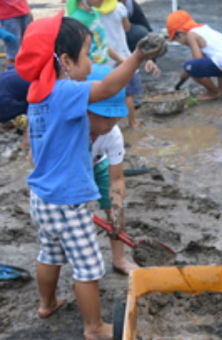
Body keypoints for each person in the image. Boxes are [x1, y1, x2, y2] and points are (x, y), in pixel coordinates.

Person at [15, 10, 165, 339]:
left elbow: (34, 149)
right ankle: (94, 327)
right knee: (87, 268)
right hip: (69, 201)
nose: (90, 62)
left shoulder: (36, 97)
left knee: (49, 253)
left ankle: (47, 303)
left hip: (41, 199)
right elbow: (109, 84)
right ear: (65, 61)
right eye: (86, 54)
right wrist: (137, 54)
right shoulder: (65, 92)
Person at [88, 65, 138, 274]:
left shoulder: (113, 134)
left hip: (98, 162)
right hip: (71, 169)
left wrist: (116, 208)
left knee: (116, 208)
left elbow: (116, 179)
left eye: (116, 117)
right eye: (106, 117)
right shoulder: (70, 128)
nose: (112, 123)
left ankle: (118, 259)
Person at [99, 0, 161, 128]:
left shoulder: (94, 12)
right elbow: (127, 27)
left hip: (106, 59)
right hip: (124, 57)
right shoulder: (120, 8)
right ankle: (132, 122)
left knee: (107, 94)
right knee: (128, 95)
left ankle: (110, 124)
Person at [166, 10, 222, 101]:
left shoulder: (190, 35)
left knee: (190, 67)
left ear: (180, 33)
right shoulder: (204, 28)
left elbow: (197, 61)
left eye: (176, 39)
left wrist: (186, 72)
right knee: (214, 58)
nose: (179, 42)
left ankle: (214, 92)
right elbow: (207, 59)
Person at [66, 0, 124, 66]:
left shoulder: (96, 12)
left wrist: (120, 59)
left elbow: (102, 43)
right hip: (93, 70)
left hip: (106, 65)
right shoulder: (76, 19)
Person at [0, 0, 32, 66]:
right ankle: (12, 73)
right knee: (13, 54)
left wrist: (29, 11)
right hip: (8, 18)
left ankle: (26, 73)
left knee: (28, 49)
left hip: (25, 14)